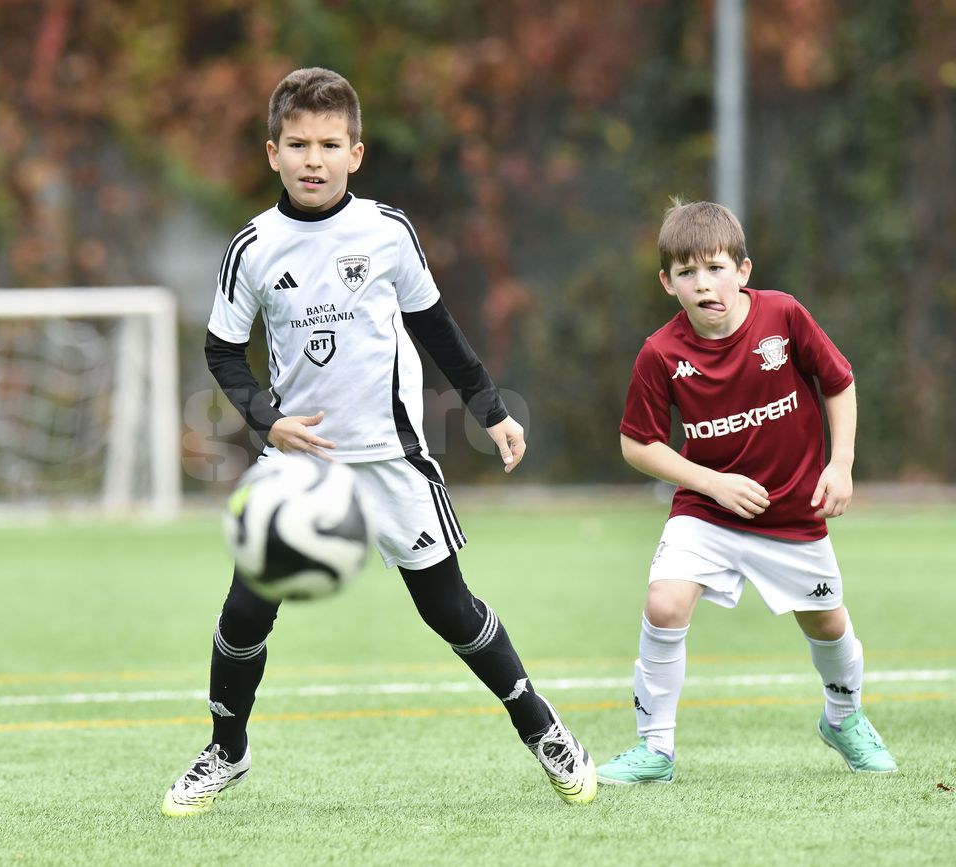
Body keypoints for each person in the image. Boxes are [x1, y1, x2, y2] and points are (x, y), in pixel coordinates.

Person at [161, 67, 596, 816]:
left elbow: (435, 326)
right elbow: (223, 352)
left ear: (356, 154)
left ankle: (544, 730)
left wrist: (490, 408)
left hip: (392, 460)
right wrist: (268, 420)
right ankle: (225, 751)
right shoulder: (254, 248)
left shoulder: (386, 232)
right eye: (297, 143)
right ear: (272, 152)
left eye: (330, 144)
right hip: (297, 465)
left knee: (450, 610)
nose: (313, 158)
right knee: (244, 611)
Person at [595, 199, 897, 785]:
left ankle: (845, 718)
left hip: (790, 515)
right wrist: (713, 484)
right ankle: (654, 750)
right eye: (687, 273)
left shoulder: (783, 316)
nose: (703, 284)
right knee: (664, 604)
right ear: (667, 283)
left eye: (714, 268)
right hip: (707, 512)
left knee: (828, 625)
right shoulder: (660, 353)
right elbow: (639, 445)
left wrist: (842, 464)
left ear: (743, 271)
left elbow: (839, 382)